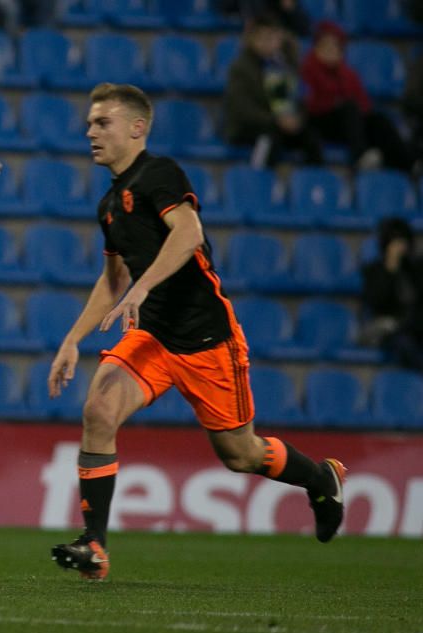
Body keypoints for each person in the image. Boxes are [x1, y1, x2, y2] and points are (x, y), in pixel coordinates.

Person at [47, 83, 346, 582]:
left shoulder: (159, 174)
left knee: (240, 454)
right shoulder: (108, 205)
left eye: (103, 123)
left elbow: (189, 234)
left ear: (137, 128)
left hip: (207, 338)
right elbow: (112, 279)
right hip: (153, 337)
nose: (90, 132)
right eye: (90, 123)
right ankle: (94, 545)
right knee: (98, 410)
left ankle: (321, 479)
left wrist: (141, 290)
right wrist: (71, 340)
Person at [300, 20, 416, 173]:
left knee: (378, 120)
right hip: (321, 122)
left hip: (349, 124)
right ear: (316, 48)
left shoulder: (348, 74)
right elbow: (310, 103)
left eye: (335, 46)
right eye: (325, 46)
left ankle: (408, 164)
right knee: (349, 107)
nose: (330, 50)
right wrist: (337, 103)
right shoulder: (307, 69)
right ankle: (361, 156)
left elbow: (364, 104)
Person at [223, 15, 322, 168]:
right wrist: (276, 121)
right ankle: (258, 182)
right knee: (269, 138)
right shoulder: (241, 68)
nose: (268, 43)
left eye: (273, 37)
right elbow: (242, 109)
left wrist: (296, 119)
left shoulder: (284, 64)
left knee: (311, 138)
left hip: (281, 125)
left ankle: (313, 186)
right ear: (252, 38)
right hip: (252, 127)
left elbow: (299, 98)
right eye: (263, 37)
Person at [361, 217, 423, 372]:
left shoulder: (416, 269)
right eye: (395, 242)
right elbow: (376, 300)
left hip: (416, 325)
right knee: (405, 344)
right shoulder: (374, 271)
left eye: (402, 241)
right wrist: (390, 268)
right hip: (391, 328)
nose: (400, 247)